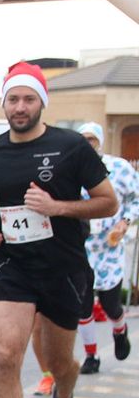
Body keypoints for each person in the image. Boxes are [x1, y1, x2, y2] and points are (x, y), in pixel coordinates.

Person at [0, 62, 117, 398]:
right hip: (13, 268)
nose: (20, 107)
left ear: (41, 103)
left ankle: (65, 396)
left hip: (63, 268)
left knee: (59, 364)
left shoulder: (71, 147)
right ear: (4, 103)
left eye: (28, 99)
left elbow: (108, 202)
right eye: (13, 99)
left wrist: (58, 208)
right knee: (4, 355)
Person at [72, 122, 136, 372]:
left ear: (99, 141)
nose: (88, 144)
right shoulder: (70, 167)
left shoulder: (119, 168)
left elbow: (136, 198)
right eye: (84, 139)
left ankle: (120, 331)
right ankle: (91, 356)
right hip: (80, 246)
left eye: (92, 139)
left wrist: (124, 221)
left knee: (110, 304)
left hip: (109, 247)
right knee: (82, 304)